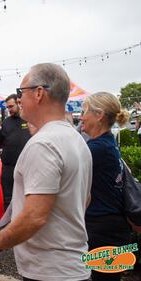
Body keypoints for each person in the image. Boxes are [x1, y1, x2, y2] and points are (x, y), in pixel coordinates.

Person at [0, 63, 92, 281]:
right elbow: (84, 200)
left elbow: (35, 216)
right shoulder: (76, 139)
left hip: (49, 271)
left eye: (22, 91)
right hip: (71, 266)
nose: (19, 100)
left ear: (39, 92)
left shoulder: (44, 144)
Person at [80, 92, 132, 281]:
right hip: (111, 230)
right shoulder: (106, 144)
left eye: (84, 111)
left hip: (103, 232)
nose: (81, 116)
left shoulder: (97, 149)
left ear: (99, 115)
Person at [0, 94, 31, 210]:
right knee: (8, 199)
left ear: (19, 103)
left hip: (27, 167)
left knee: (27, 198)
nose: (9, 110)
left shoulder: (29, 119)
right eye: (8, 107)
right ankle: (9, 225)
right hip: (9, 168)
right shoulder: (6, 122)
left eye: (11, 106)